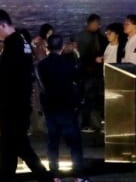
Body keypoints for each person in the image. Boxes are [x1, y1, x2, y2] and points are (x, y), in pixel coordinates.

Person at [0, 9, 55, 182]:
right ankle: (14, 177)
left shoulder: (13, 43)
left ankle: (44, 176)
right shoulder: (22, 42)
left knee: (16, 145)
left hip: (12, 105)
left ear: (3, 25)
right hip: (19, 103)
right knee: (11, 146)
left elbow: (11, 73)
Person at [36, 34, 87, 182]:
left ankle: (55, 175)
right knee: (75, 144)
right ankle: (79, 175)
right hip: (67, 107)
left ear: (47, 47)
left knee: (53, 143)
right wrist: (77, 55)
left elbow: (41, 85)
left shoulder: (41, 65)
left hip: (50, 107)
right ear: (62, 47)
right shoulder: (68, 63)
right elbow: (78, 78)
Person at [75, 14, 106, 132]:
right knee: (89, 97)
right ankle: (86, 123)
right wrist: (94, 60)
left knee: (95, 98)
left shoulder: (96, 36)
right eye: (97, 24)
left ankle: (92, 123)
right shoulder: (86, 37)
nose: (98, 26)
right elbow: (82, 56)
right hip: (89, 72)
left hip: (94, 72)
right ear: (91, 24)